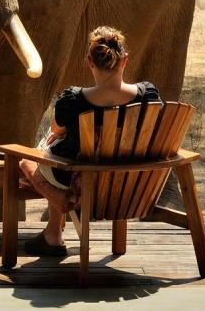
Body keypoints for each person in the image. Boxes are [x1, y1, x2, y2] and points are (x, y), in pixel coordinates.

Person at [19, 26, 162, 257]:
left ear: (89, 62)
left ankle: (57, 209)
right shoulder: (148, 95)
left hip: (79, 184)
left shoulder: (73, 99)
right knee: (59, 151)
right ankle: (52, 233)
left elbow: (56, 128)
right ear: (124, 61)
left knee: (28, 160)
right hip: (128, 184)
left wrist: (61, 134)